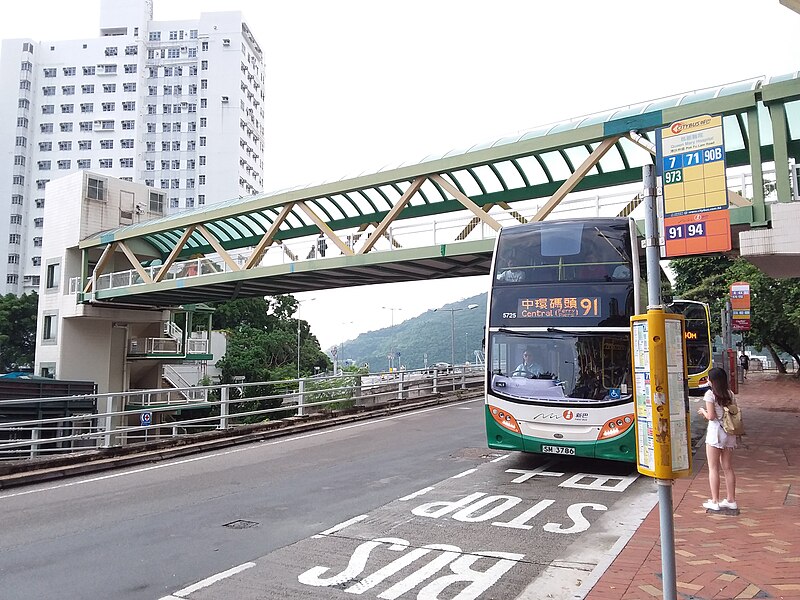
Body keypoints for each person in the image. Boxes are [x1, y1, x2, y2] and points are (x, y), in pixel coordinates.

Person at [696, 367, 738, 511]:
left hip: (715, 434)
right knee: (728, 467)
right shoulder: (730, 393)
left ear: (712, 380)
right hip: (729, 433)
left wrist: (703, 411)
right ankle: (731, 500)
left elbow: (711, 416)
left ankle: (714, 501)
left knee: (713, 468)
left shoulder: (710, 394)